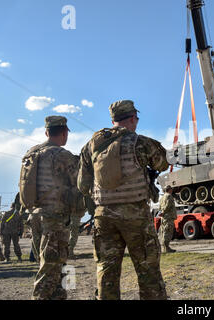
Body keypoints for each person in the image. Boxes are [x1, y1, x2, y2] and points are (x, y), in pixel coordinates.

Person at [78, 99, 169, 300]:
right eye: (136, 118)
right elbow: (163, 164)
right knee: (147, 269)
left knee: (106, 270)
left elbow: (82, 185)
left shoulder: (91, 146)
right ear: (131, 118)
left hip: (103, 216)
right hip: (135, 214)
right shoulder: (140, 142)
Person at [23, 116, 78, 300]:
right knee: (49, 272)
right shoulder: (62, 155)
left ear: (47, 132)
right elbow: (79, 184)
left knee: (55, 269)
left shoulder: (31, 154)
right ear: (64, 133)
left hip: (36, 216)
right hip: (54, 219)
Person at [158, 186, 177, 253]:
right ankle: (166, 248)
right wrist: (163, 212)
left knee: (164, 231)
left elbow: (159, 207)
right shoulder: (169, 196)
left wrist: (161, 213)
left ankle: (164, 248)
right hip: (168, 217)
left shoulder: (162, 197)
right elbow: (168, 206)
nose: (172, 190)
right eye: (171, 189)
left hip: (163, 217)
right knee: (168, 231)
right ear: (169, 189)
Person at [68, 187, 86, 258]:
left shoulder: (68, 189)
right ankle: (69, 252)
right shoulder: (79, 192)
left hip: (66, 214)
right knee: (73, 234)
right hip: (74, 215)